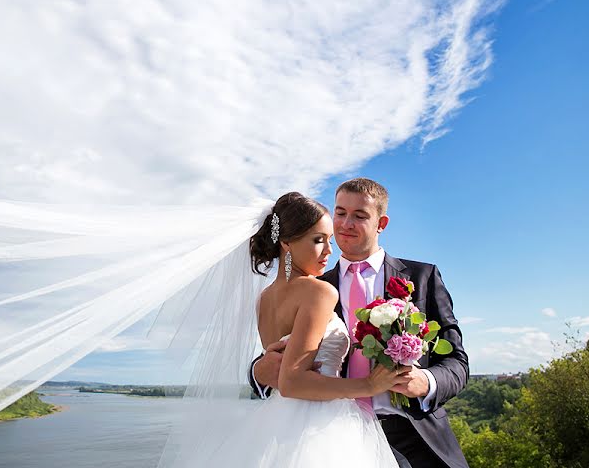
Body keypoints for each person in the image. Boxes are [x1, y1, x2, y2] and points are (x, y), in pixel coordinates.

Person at [250, 179, 470, 468]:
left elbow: (457, 361)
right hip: (329, 435)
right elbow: (288, 357)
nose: (345, 224)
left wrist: (425, 382)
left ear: (382, 223)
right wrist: (257, 371)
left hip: (412, 433)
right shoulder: (313, 286)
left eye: (360, 216)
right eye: (340, 213)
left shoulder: (422, 277)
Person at [177, 191, 401, 467]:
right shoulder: (319, 292)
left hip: (275, 420)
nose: (329, 251)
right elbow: (292, 381)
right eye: (318, 240)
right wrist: (368, 385)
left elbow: (280, 370)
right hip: (318, 426)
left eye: (329, 241)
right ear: (286, 243)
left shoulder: (265, 299)